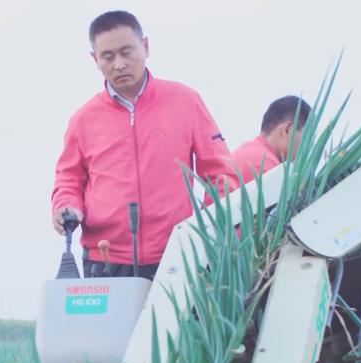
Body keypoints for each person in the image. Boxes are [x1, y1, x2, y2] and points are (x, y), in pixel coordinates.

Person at [50, 11, 235, 280]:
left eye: (126, 52)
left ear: (145, 47)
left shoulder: (185, 101)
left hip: (177, 253)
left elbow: (220, 172)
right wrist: (66, 205)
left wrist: (209, 228)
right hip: (105, 259)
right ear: (95, 59)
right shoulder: (83, 119)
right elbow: (68, 178)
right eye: (108, 57)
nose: (119, 64)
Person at [230, 96, 311, 185]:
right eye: (308, 137)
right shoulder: (266, 165)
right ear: (287, 129)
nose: (308, 146)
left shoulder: (247, 150)